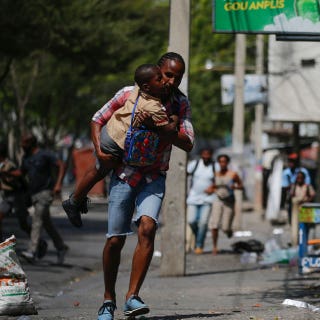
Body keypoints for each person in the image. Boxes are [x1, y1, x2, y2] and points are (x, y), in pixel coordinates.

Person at [91, 52, 194, 320]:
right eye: (168, 75)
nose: (172, 81)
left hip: (154, 174)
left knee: (147, 228)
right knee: (115, 240)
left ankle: (132, 297)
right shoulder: (129, 94)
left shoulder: (180, 104)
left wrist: (168, 129)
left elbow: (188, 141)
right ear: (157, 72)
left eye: (177, 77)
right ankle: (108, 300)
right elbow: (98, 118)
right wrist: (100, 151)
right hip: (125, 173)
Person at [62, 63, 179, 228]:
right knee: (101, 169)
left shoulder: (135, 92)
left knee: (100, 170)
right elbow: (169, 130)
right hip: (115, 143)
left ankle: (77, 199)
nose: (166, 82)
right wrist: (174, 116)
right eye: (161, 78)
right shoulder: (154, 107)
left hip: (108, 132)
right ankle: (74, 201)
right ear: (147, 86)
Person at [18, 134, 69, 265]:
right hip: (33, 194)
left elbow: (61, 165)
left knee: (37, 219)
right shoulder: (26, 158)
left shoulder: (45, 154)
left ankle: (32, 251)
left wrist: (58, 184)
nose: (22, 146)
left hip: (45, 192)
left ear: (31, 143)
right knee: (46, 223)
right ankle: (61, 247)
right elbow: (20, 173)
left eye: (24, 143)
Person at [208, 154, 243, 255]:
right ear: (218, 163)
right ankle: (215, 246)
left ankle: (228, 231)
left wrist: (235, 187)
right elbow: (213, 186)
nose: (222, 164)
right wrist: (211, 189)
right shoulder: (216, 174)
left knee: (225, 227)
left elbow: (241, 185)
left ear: (227, 163)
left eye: (224, 162)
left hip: (229, 201)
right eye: (221, 162)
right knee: (214, 224)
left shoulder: (233, 174)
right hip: (218, 199)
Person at [186, 147, 216, 254]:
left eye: (208, 154)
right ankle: (198, 235)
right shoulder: (195, 164)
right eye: (204, 154)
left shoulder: (214, 166)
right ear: (201, 155)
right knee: (191, 221)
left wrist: (213, 187)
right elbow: (185, 174)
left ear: (211, 155)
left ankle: (199, 245)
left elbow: (221, 179)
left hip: (207, 199)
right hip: (193, 198)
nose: (206, 156)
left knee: (203, 223)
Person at [289, 171, 315, 246]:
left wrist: (306, 200)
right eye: (298, 178)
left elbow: (312, 195)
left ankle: (305, 243)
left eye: (301, 178)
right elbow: (291, 196)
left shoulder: (307, 186)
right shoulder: (294, 186)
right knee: (295, 226)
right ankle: (295, 243)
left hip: (305, 208)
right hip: (295, 208)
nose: (299, 179)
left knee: (305, 227)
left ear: (303, 178)